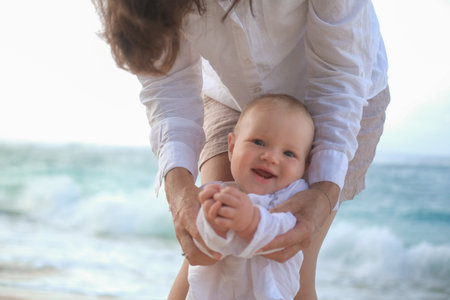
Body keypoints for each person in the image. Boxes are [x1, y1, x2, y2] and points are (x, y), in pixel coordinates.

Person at [93, 1, 390, 299]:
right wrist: (180, 189)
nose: (271, 157)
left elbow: (340, 73)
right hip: (230, 92)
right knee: (202, 252)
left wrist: (323, 192)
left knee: (295, 265)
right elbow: (166, 83)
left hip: (338, 92)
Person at [188, 94, 319, 299]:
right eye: (259, 142)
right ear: (231, 147)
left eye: (289, 153)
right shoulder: (218, 192)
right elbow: (203, 249)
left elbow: (286, 232)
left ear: (304, 167)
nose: (271, 157)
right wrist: (213, 224)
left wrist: (250, 222)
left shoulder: (295, 196)